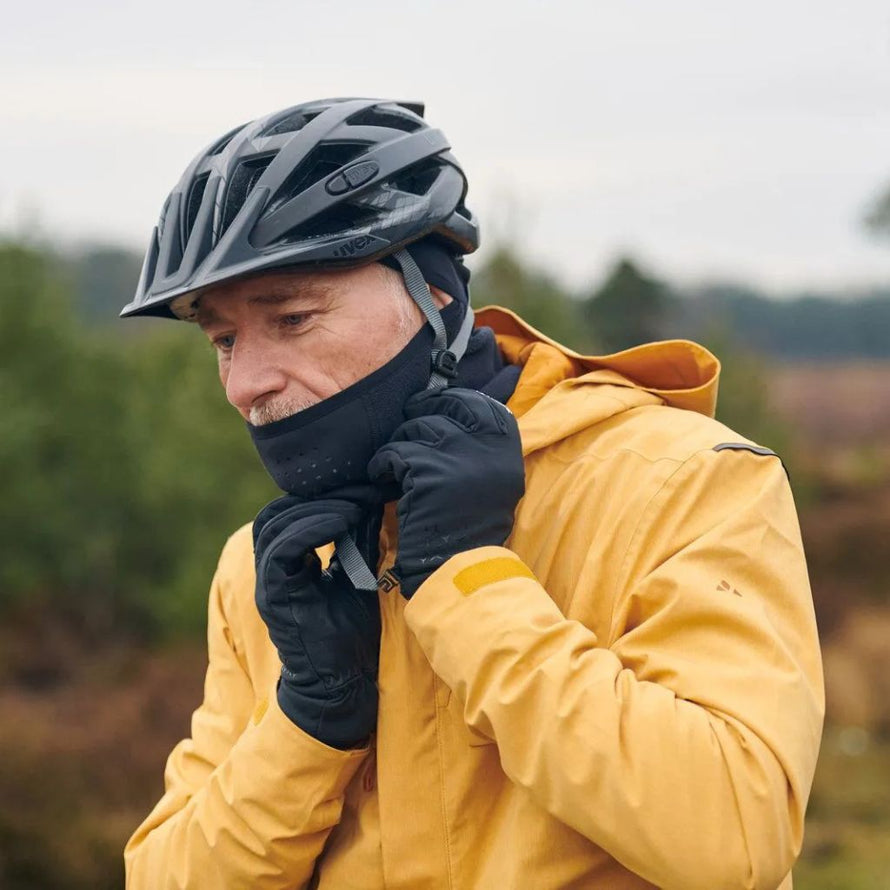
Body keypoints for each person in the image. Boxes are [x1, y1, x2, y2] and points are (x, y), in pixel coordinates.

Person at [121, 97, 824, 890]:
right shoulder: (265, 569)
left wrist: (470, 582)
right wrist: (307, 722)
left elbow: (737, 836)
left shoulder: (681, 478)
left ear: (437, 293)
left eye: (291, 317)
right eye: (223, 340)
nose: (245, 385)